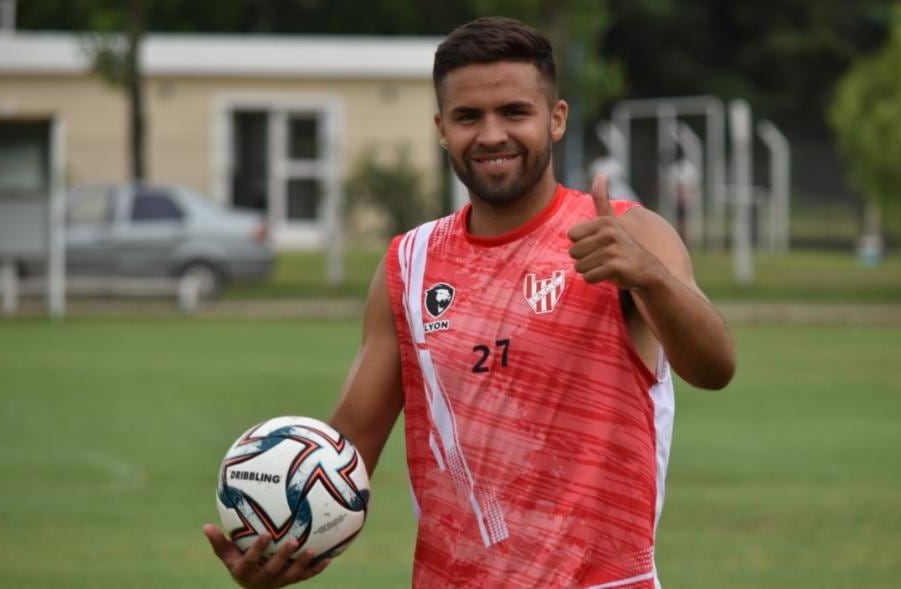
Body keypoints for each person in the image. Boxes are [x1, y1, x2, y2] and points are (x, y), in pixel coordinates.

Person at [204, 16, 735, 589]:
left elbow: (715, 367)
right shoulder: (409, 265)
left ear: (555, 120)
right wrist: (282, 537)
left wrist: (649, 278)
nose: (491, 135)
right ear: (441, 128)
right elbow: (346, 448)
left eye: (514, 112)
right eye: (467, 117)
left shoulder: (626, 234)